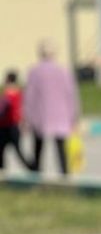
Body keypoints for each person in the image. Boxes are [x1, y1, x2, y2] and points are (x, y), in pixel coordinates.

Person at [23, 39, 81, 176]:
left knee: (38, 146)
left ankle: (36, 173)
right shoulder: (63, 71)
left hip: (41, 115)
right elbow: (72, 95)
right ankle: (64, 174)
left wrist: (27, 116)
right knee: (61, 147)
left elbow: (29, 97)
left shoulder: (34, 72)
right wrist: (74, 117)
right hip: (61, 115)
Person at [0, 70, 29, 171]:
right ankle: (31, 167)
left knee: (3, 150)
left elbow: (2, 110)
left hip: (6, 125)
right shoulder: (19, 93)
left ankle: (3, 170)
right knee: (17, 150)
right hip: (15, 124)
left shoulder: (7, 94)